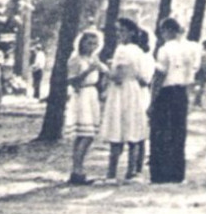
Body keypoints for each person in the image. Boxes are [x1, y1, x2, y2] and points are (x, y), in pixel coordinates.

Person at [149, 16, 204, 184]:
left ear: (167, 31)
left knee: (160, 131)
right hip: (182, 92)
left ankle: (159, 174)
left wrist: (152, 99)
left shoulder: (166, 49)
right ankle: (176, 173)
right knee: (178, 132)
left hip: (166, 91)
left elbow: (160, 75)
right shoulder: (193, 48)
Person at [100, 17, 151, 183]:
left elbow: (117, 77)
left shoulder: (122, 50)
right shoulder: (139, 51)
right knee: (132, 129)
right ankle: (132, 172)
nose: (118, 34)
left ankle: (111, 174)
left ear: (131, 32)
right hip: (134, 90)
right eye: (117, 31)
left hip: (121, 92)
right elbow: (144, 78)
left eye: (121, 30)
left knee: (117, 130)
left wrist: (105, 69)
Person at [64, 29, 106, 185]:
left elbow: (104, 73)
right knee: (86, 135)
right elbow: (72, 81)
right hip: (81, 95)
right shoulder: (76, 59)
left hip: (92, 94)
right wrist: (89, 70)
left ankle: (77, 170)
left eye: (95, 43)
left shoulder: (93, 58)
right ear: (81, 43)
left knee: (85, 134)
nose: (92, 46)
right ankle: (77, 169)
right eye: (89, 43)